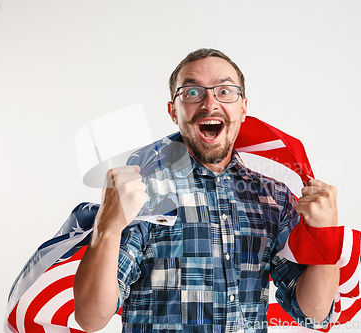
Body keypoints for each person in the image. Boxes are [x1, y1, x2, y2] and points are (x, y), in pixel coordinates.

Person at [73, 48, 340, 333]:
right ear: (173, 111)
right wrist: (107, 228)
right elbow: (91, 318)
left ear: (244, 107)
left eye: (225, 91)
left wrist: (327, 233)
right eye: (191, 92)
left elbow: (312, 312)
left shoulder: (273, 198)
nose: (210, 103)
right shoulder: (141, 193)